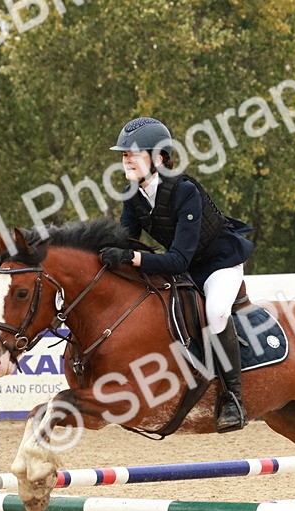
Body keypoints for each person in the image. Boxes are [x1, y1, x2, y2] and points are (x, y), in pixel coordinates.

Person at [99, 117, 255, 433]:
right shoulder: (132, 194)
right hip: (182, 264)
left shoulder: (185, 192)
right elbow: (124, 240)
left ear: (159, 158)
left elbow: (178, 259)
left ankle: (232, 399)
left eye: (134, 153)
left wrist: (133, 257)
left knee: (216, 311)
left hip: (219, 264)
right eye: (123, 154)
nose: (126, 159)